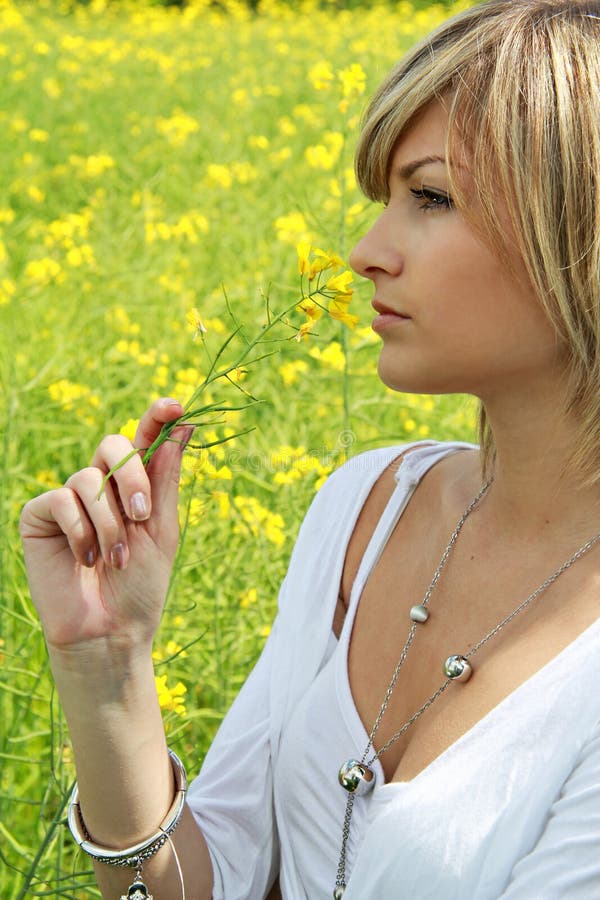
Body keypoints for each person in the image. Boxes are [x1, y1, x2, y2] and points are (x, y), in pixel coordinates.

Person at [19, 0, 600, 897]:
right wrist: (108, 666)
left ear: (581, 230)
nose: (366, 253)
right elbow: (213, 882)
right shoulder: (363, 508)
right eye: (384, 201)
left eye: (432, 197)